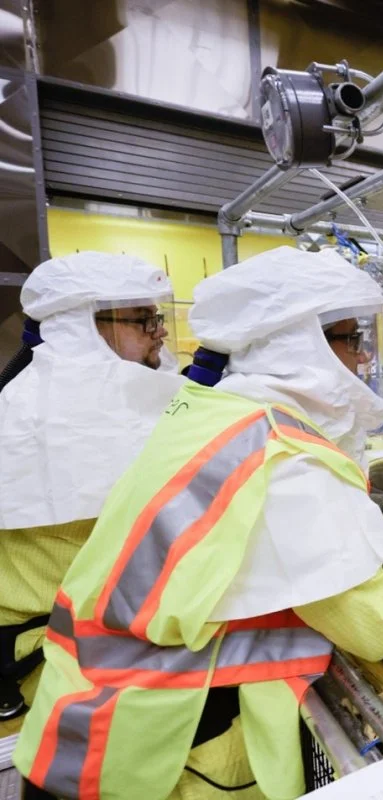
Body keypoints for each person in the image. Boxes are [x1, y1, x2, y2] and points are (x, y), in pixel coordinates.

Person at [14, 247, 383, 800]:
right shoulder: (284, 454)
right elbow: (373, 622)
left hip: (86, 712)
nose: (364, 360)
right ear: (301, 343)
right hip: (154, 749)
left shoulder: (218, 411)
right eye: (350, 339)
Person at [0, 252, 183, 730]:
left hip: (94, 651)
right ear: (88, 326)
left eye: (156, 317)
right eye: (144, 320)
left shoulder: (104, 401)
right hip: (53, 666)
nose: (159, 331)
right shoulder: (53, 417)